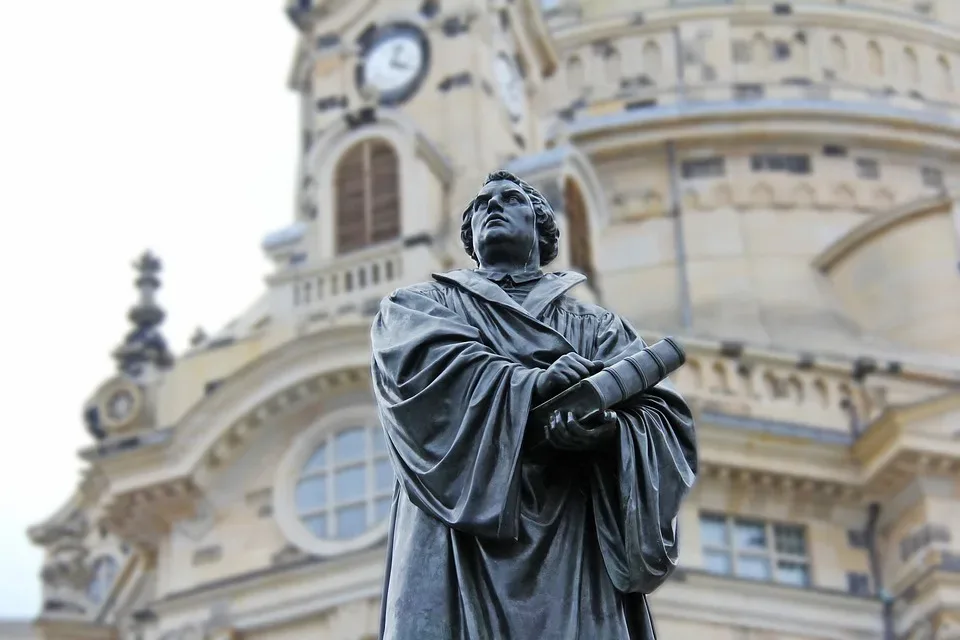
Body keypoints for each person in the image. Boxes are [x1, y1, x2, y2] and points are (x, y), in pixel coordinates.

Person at [370, 170, 698, 639]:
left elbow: (661, 417)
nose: (493, 207)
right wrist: (532, 384)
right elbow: (423, 371)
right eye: (481, 205)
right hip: (457, 535)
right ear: (471, 236)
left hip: (571, 532)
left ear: (541, 228)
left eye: (510, 200)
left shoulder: (598, 326)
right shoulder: (420, 306)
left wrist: (608, 432)